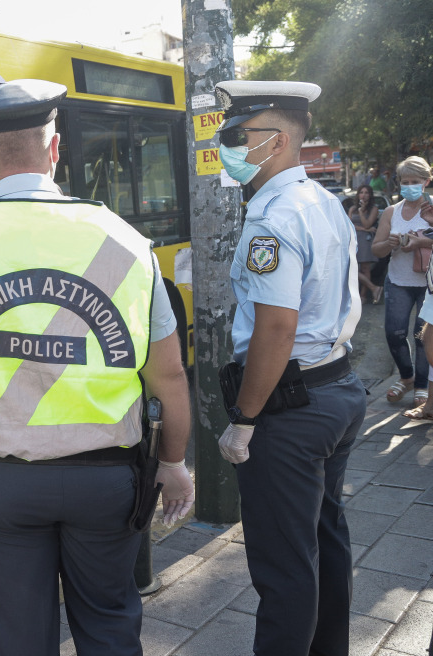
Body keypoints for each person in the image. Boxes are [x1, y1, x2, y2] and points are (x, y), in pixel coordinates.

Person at [0, 79, 193, 655]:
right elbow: (169, 376)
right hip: (109, 482)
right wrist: (175, 462)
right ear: (54, 150)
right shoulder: (128, 243)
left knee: (19, 637)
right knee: (109, 624)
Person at [213, 79, 366, 656]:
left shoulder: (272, 215)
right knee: (325, 543)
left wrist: (245, 418)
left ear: (273, 141)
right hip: (338, 388)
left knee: (283, 566)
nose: (225, 145)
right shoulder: (322, 200)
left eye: (235, 135)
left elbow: (276, 329)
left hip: (290, 409)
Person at [370, 156, 433, 407]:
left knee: (422, 337)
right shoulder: (391, 211)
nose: (409, 186)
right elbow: (377, 250)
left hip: (428, 285)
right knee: (394, 333)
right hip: (397, 281)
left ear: (426, 182)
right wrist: (390, 244)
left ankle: (420, 386)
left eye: (415, 182)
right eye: (404, 182)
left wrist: (421, 242)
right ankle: (406, 377)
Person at [348, 184, 382, 303]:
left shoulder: (374, 209)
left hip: (365, 241)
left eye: (366, 192)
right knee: (351, 267)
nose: (364, 195)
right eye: (361, 192)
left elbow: (367, 223)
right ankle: (374, 288)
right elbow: (348, 225)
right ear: (358, 195)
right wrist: (365, 229)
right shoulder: (352, 208)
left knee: (365, 268)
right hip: (354, 239)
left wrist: (362, 212)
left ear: (370, 195)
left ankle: (363, 296)